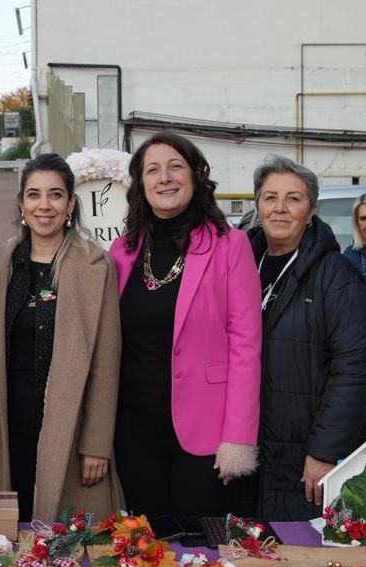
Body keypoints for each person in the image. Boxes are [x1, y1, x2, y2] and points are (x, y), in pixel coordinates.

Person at [109, 133, 261, 531]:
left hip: (205, 436)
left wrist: (238, 439)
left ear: (195, 176)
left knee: (203, 552)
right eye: (153, 170)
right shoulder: (122, 252)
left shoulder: (231, 245)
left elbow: (247, 346)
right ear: (140, 184)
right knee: (146, 550)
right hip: (135, 434)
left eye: (175, 166)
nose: (165, 178)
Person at [0, 154, 121, 522]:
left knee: (62, 540)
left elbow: (107, 362)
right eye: (34, 195)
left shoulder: (96, 266)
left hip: (68, 428)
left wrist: (96, 444)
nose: (45, 205)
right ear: (21, 204)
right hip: (7, 428)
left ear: (71, 203)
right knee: (6, 532)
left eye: (55, 195)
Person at [246, 156, 366, 520]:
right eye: (270, 197)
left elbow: (356, 369)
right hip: (251, 451)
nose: (280, 208)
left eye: (294, 199)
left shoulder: (337, 276)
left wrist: (325, 451)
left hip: (307, 454)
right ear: (257, 205)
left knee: (302, 558)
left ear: (311, 211)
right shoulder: (243, 264)